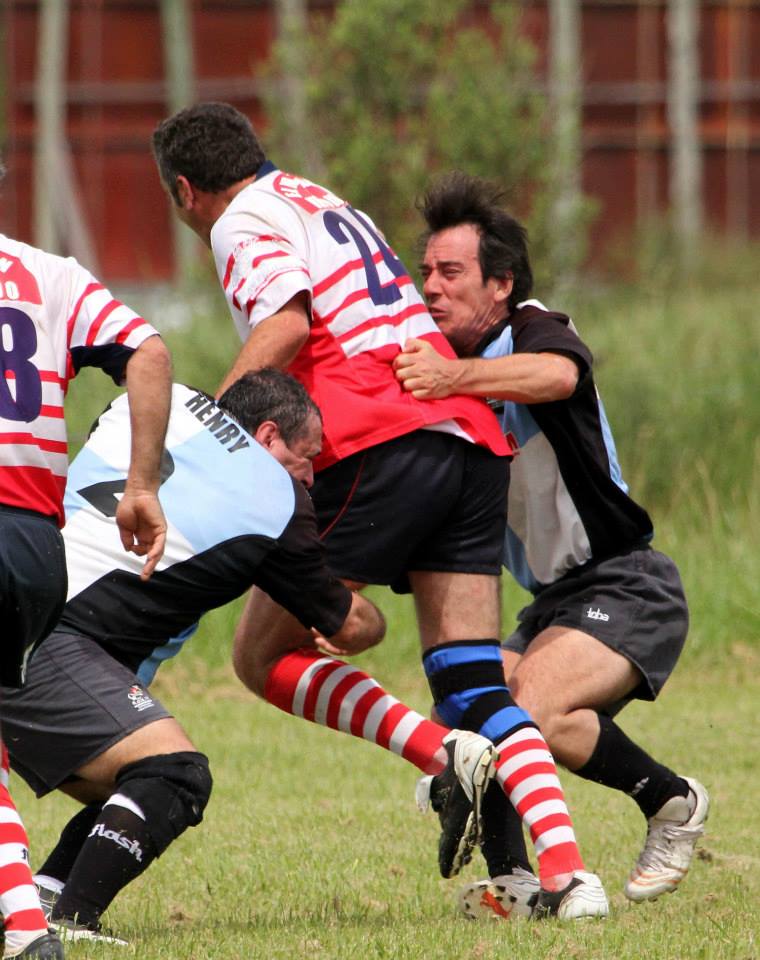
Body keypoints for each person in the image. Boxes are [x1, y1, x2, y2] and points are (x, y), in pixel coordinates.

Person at [149, 101, 609, 920]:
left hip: (375, 435)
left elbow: (287, 325)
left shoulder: (240, 219)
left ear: (186, 191)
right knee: (468, 674)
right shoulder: (318, 197)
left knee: (261, 655)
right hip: (466, 435)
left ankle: (441, 755)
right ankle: (566, 877)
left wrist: (203, 433)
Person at [2, 370, 501, 942]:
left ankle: (45, 893)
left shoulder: (153, 401)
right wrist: (376, 617)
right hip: (50, 639)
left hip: (20, 590)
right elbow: (344, 623)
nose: (311, 477)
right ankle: (71, 921)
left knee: (129, 775)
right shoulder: (278, 499)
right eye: (307, 458)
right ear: (267, 436)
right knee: (173, 774)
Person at [393, 171, 708, 920]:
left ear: (500, 284)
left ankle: (673, 802)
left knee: (526, 708)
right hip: (551, 605)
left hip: (625, 583)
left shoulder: (529, 329)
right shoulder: (437, 373)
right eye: (425, 271)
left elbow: (560, 374)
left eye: (451, 272)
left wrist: (454, 376)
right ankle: (516, 880)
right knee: (472, 710)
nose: (430, 287)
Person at [0, 157, 172, 959]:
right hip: (37, 545)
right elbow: (150, 353)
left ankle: (26, 927)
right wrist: (141, 485)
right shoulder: (51, 275)